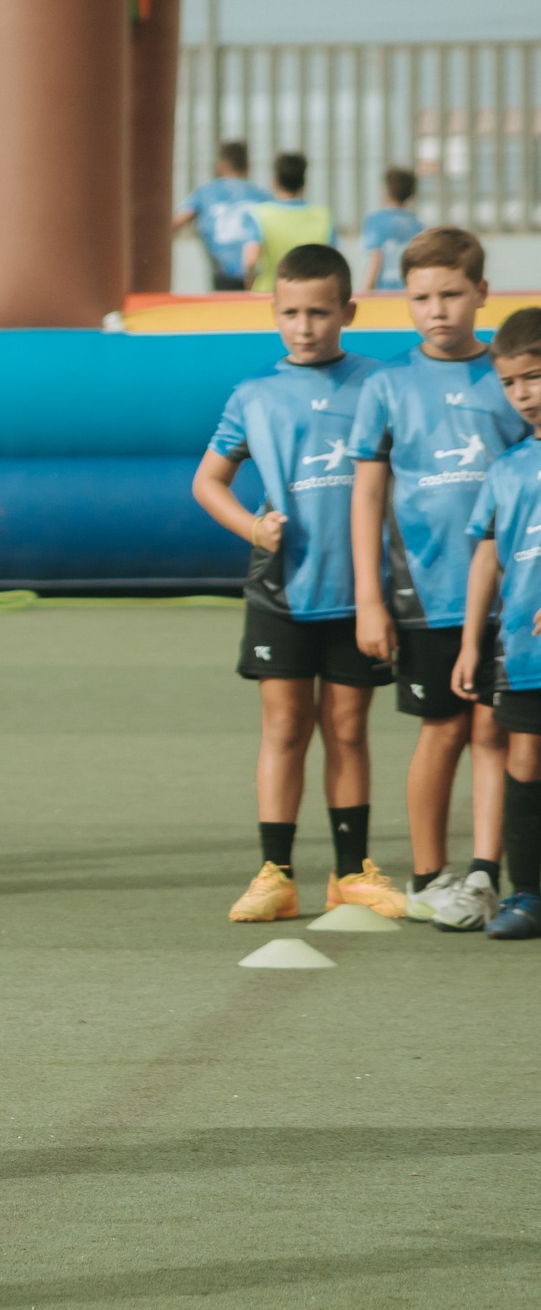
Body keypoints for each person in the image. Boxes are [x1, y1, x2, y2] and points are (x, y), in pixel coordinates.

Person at [190, 244, 391, 923]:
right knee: (283, 728)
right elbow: (207, 483)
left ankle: (351, 870)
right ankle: (275, 873)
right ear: (273, 312)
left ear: (348, 311)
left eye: (319, 312)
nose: (304, 326)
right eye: (291, 312)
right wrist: (252, 528)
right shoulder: (254, 396)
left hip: (359, 589)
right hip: (282, 588)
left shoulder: (378, 385)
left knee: (348, 728)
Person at [350, 226, 525, 927]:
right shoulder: (387, 385)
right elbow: (365, 497)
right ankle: (428, 874)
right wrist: (369, 598)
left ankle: (485, 872)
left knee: (494, 731)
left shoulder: (508, 379)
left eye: (452, 293)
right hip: (422, 596)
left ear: (482, 293)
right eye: (422, 297)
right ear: (405, 300)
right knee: (443, 730)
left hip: (508, 597)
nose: (438, 309)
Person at [454, 308, 541, 937]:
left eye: (534, 378)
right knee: (525, 759)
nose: (523, 395)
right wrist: (469, 640)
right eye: (511, 384)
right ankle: (528, 893)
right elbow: (487, 551)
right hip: (522, 651)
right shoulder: (507, 468)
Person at [174, 139, 267, 292]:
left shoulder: (205, 193)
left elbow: (178, 221)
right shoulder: (262, 196)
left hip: (223, 272)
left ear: (220, 165)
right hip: (257, 274)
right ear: (248, 166)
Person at [242, 152, 336, 292]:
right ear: (304, 182)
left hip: (269, 294)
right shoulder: (323, 215)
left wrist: (249, 283)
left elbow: (251, 260)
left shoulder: (260, 214)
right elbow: (333, 261)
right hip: (311, 295)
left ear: (275, 181)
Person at [362, 167, 424, 293]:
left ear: (387, 191)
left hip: (384, 291)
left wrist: (366, 289)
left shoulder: (375, 221)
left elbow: (376, 258)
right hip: (408, 290)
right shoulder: (417, 224)